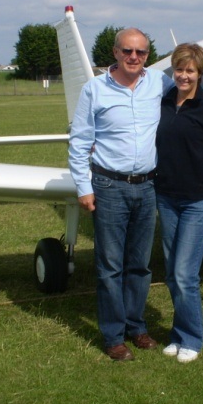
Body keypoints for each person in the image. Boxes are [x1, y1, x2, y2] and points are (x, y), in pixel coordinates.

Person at [68, 27, 174, 361]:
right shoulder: (94, 89)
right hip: (109, 185)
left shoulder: (160, 83)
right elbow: (80, 141)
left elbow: (190, 102)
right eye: (127, 51)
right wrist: (84, 187)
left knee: (140, 265)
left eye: (140, 52)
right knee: (110, 266)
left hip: (148, 185)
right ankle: (113, 336)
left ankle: (136, 326)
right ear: (115, 52)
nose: (133, 57)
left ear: (147, 55)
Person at [154, 43, 203, 364]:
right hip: (166, 197)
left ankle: (192, 339)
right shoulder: (162, 103)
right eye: (179, 69)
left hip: (199, 201)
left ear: (200, 73)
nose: (183, 76)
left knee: (185, 273)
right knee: (172, 273)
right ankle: (178, 335)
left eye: (190, 71)